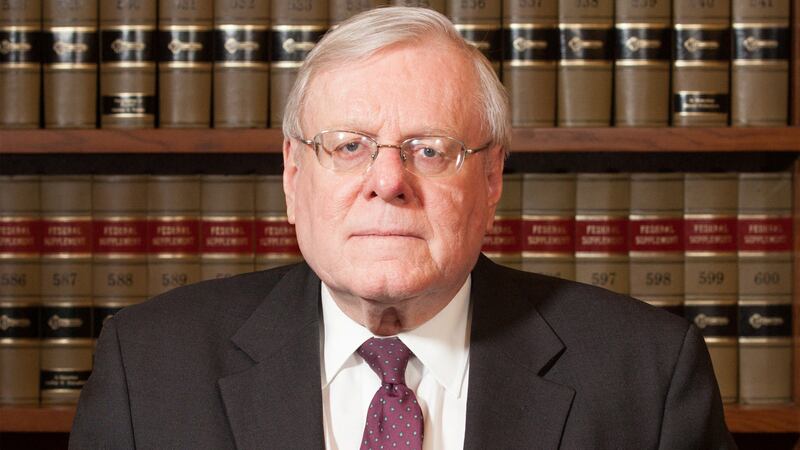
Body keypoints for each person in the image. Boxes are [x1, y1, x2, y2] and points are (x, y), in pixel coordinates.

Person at [70, 6, 735, 449]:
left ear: (492, 179)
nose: (387, 181)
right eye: (348, 146)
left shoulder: (646, 374)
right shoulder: (148, 367)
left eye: (430, 149)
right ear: (294, 175)